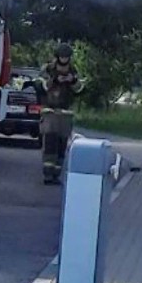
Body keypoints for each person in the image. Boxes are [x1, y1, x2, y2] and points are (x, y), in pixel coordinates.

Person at [39, 43, 82, 184]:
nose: (64, 60)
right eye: (62, 57)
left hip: (65, 113)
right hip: (50, 112)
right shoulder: (48, 69)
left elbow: (79, 89)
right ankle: (47, 174)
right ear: (57, 57)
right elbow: (43, 85)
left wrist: (72, 80)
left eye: (66, 57)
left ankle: (57, 173)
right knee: (50, 143)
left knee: (62, 145)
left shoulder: (73, 71)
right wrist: (56, 80)